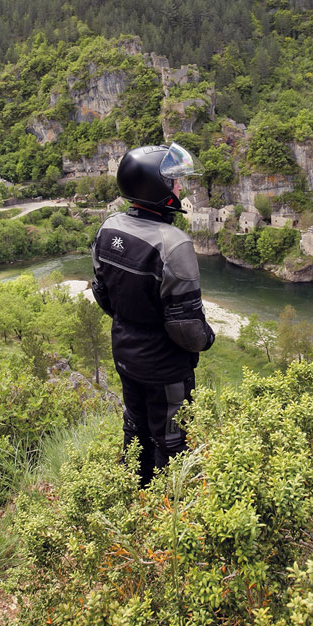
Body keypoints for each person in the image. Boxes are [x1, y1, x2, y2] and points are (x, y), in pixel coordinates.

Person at [91, 142, 215, 486]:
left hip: (125, 353)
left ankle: (133, 494)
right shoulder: (173, 243)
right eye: (174, 182)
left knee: (136, 425)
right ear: (155, 186)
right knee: (171, 439)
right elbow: (186, 328)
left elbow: (102, 293)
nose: (179, 188)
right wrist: (208, 339)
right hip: (164, 366)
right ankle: (166, 510)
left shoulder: (109, 227)